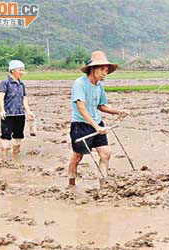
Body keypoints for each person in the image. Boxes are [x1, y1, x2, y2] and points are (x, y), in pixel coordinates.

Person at [68, 50, 127, 187]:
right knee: (77, 157)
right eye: (102, 70)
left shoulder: (100, 85)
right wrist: (96, 126)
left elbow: (101, 106)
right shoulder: (79, 84)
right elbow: (82, 109)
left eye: (106, 70)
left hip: (96, 122)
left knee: (106, 153)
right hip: (81, 124)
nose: (105, 73)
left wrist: (119, 111)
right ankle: (71, 185)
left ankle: (103, 185)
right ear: (92, 69)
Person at [0, 60, 35, 160]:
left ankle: (16, 154)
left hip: (20, 113)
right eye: (20, 70)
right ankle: (4, 157)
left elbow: (24, 98)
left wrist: (28, 111)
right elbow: (1, 96)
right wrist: (2, 110)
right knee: (6, 135)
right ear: (13, 70)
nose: (22, 72)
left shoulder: (21, 84)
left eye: (23, 70)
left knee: (18, 135)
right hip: (8, 114)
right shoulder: (5, 82)